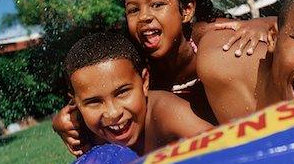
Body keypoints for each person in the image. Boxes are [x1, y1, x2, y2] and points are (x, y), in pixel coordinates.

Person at [53, 0, 275, 156]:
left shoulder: (215, 37)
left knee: (220, 58)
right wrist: (66, 121)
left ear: (186, 10)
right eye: (133, 10)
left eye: (157, 5)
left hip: (245, 128)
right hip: (198, 135)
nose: (145, 17)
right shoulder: (136, 61)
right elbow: (95, 93)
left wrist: (267, 23)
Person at [64, 32, 213, 156]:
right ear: (76, 102)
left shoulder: (167, 113)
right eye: (94, 102)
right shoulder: (85, 130)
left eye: (122, 92)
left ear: (144, 82)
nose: (113, 113)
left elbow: (225, 149)